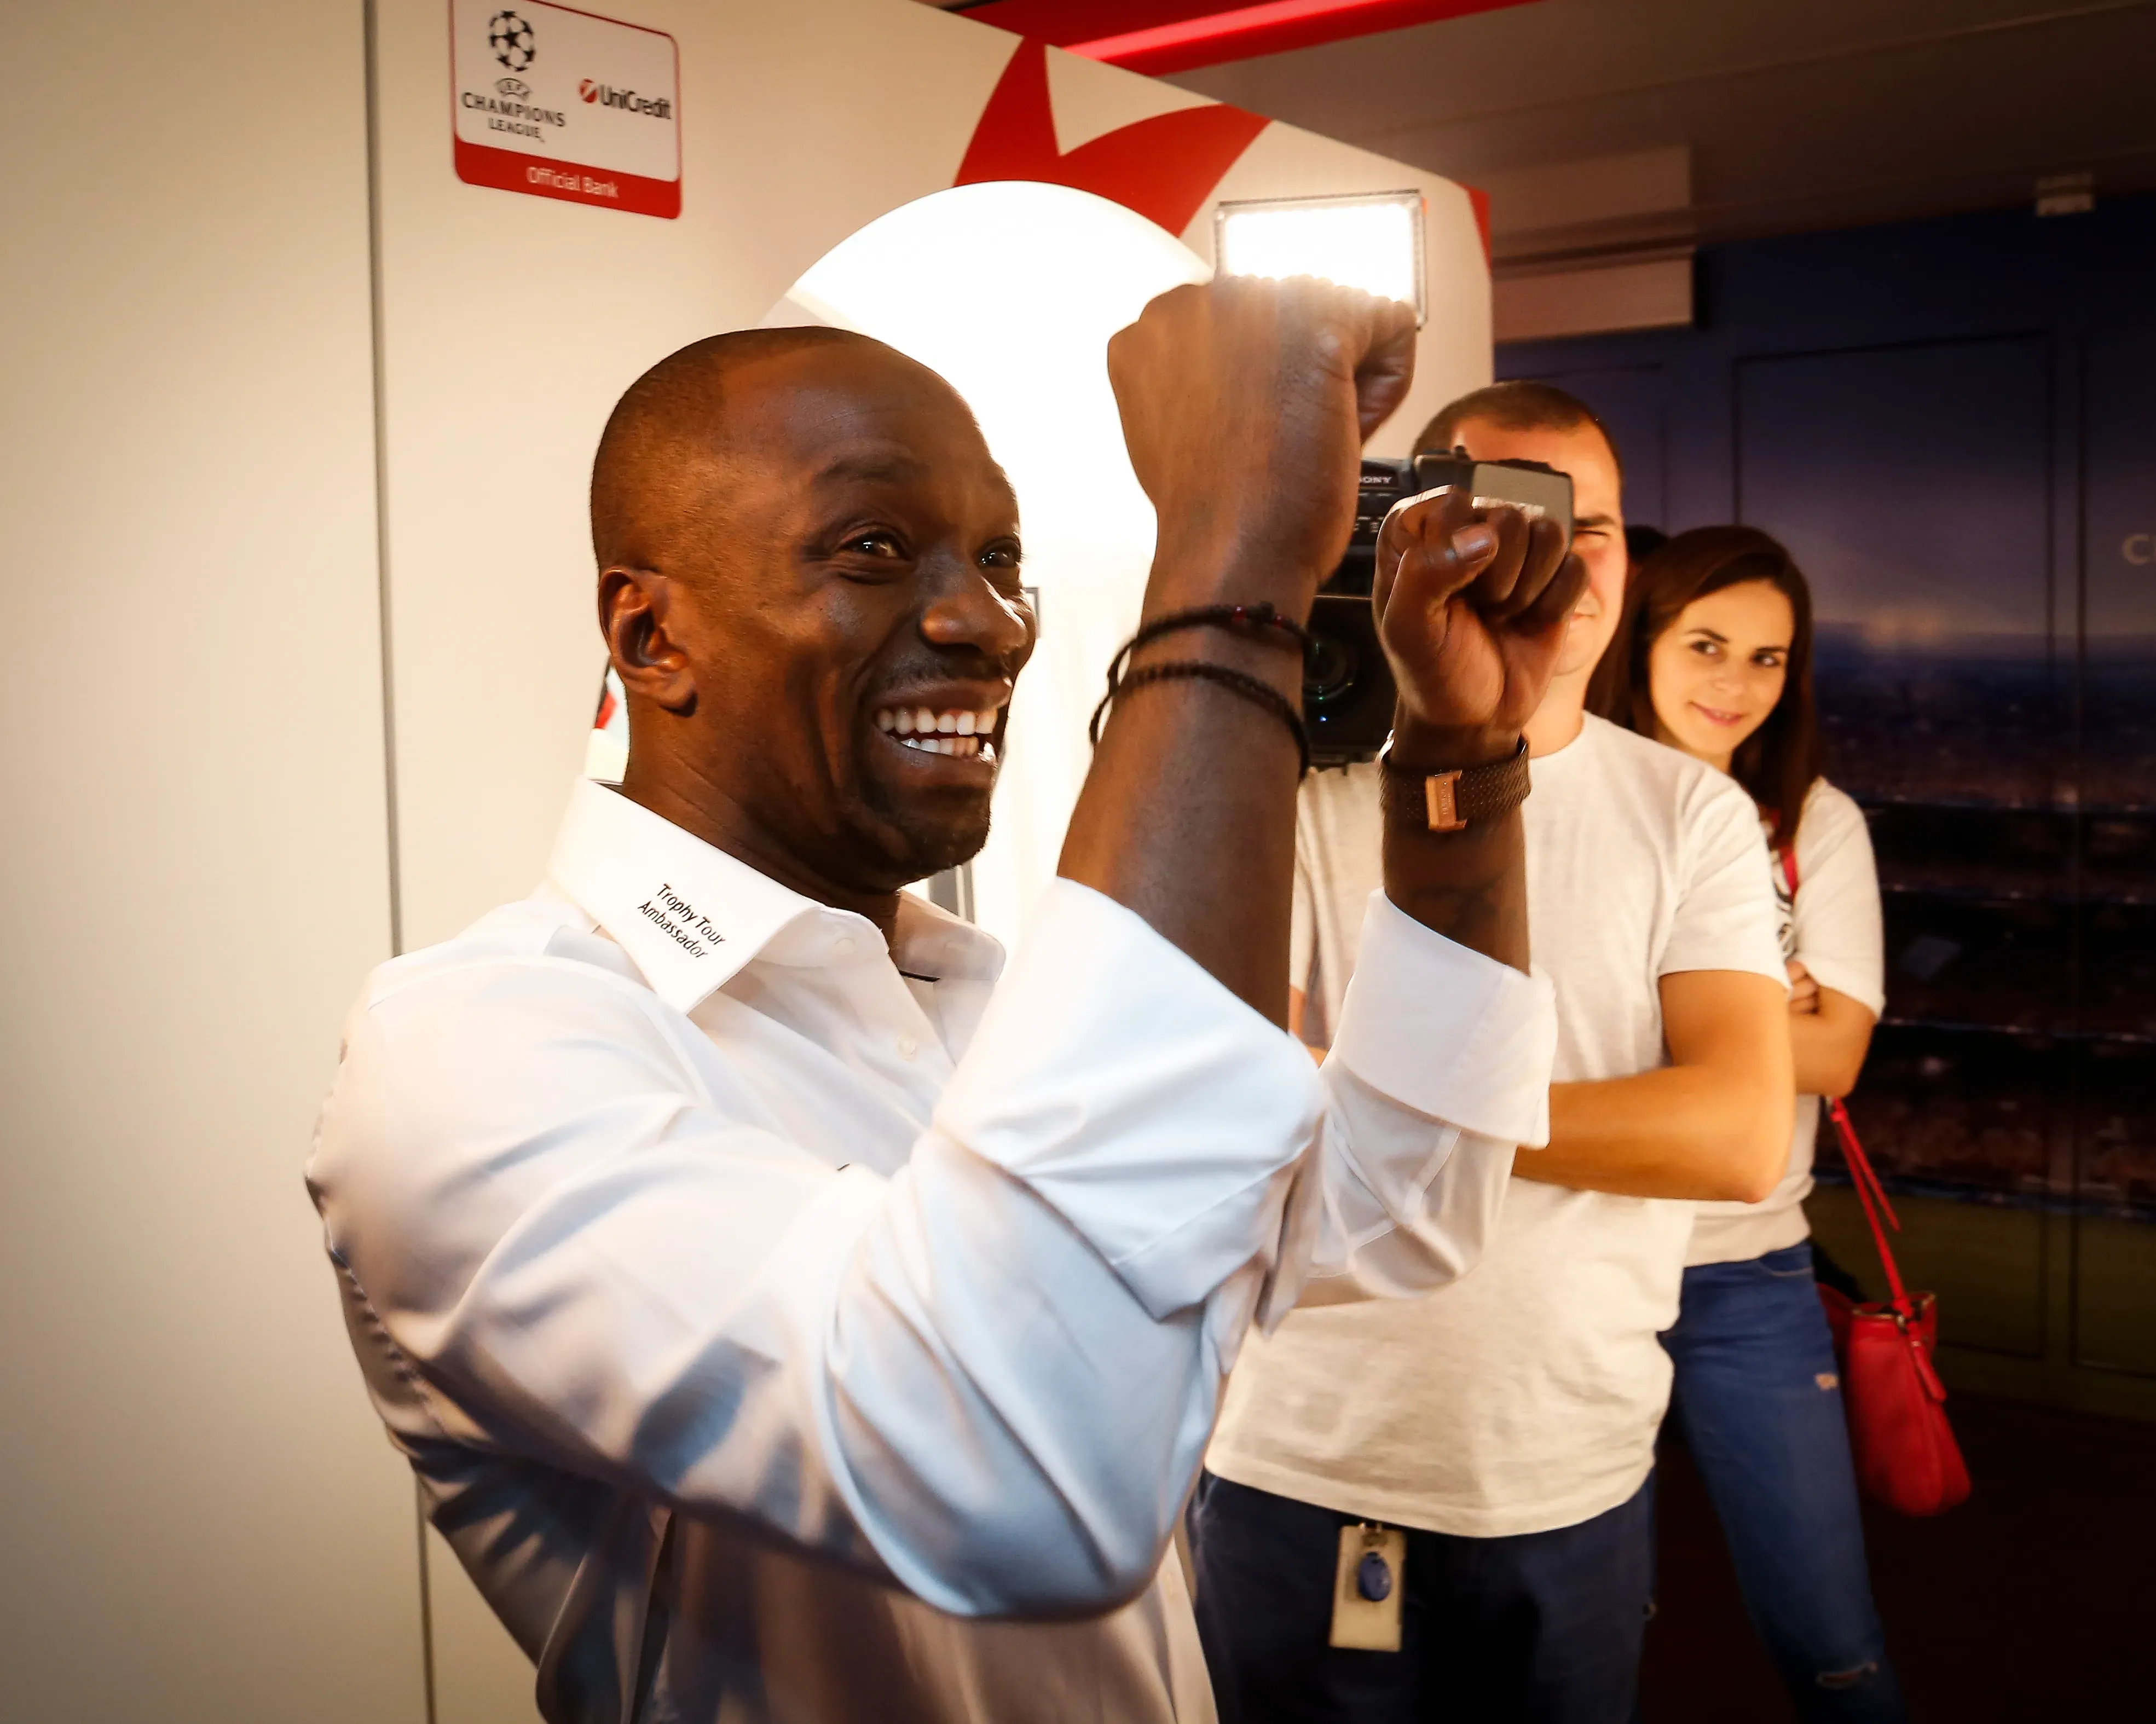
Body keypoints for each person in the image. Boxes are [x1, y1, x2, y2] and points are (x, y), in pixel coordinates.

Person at [305, 280, 1588, 1724]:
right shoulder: (473, 1053)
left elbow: (1398, 1204)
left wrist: (1461, 762)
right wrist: (1230, 574)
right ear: (652, 637)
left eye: (999, 555)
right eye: (874, 547)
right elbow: (1008, 1459)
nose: (989, 621)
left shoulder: (988, 989)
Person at [1193, 380, 1793, 1724]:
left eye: (1602, 525)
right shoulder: (1303, 790)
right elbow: (1249, 1128)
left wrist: (1410, 1122)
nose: (1568, 556)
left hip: (1567, 1463)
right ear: (1424, 538)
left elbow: (1739, 1138)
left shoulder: (1690, 813)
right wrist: (1553, 1120)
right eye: (1517, 514)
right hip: (1305, 1452)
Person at [1589, 525, 1903, 1720]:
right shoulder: (1572, 799)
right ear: (1646, 641)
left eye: (1767, 659)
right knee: (1589, 1628)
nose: (1734, 683)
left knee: (1830, 1634)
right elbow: (1530, 1041)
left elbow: (1838, 1056)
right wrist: (1766, 1011)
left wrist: (1683, 1032)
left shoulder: (1809, 822)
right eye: (1706, 644)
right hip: (1577, 1257)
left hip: (1745, 1272)